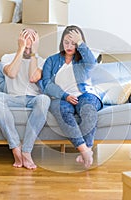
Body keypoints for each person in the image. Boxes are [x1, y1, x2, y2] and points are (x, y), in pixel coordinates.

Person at [41, 25, 102, 168]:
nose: (69, 46)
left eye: (73, 43)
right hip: (62, 97)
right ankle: (85, 151)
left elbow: (92, 64)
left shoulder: (83, 60)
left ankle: (86, 149)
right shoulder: (51, 60)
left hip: (85, 94)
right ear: (61, 42)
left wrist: (80, 43)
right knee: (62, 111)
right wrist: (64, 96)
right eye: (66, 42)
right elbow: (46, 84)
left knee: (88, 110)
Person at [0, 28, 50, 170]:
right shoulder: (7, 57)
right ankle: (16, 147)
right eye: (25, 37)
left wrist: (33, 53)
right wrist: (21, 49)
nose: (28, 40)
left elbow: (33, 77)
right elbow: (11, 73)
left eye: (32, 37)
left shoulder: (43, 61)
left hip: (33, 99)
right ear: (19, 39)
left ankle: (26, 150)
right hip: (12, 98)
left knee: (45, 99)